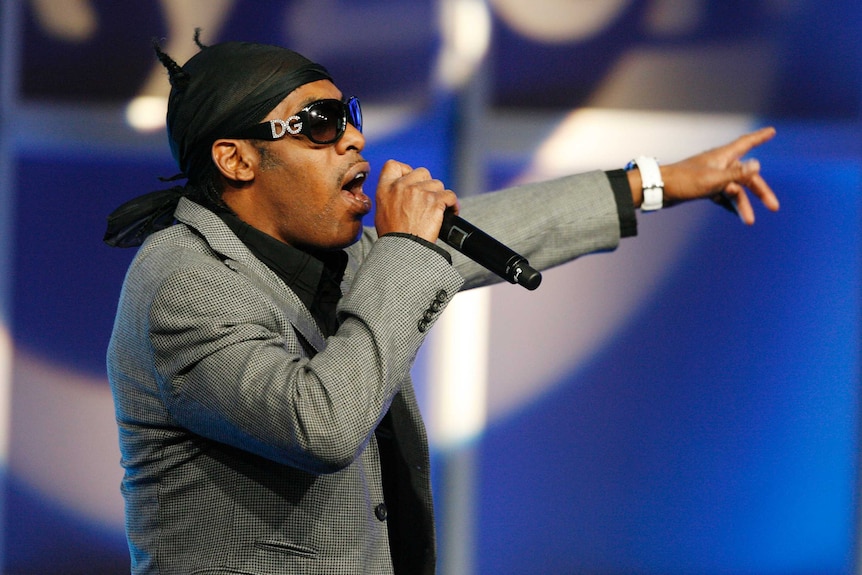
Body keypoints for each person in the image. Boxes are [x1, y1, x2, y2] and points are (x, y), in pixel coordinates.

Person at [104, 32, 779, 575]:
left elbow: (498, 227)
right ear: (237, 159)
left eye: (352, 117)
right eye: (320, 123)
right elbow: (322, 424)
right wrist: (403, 249)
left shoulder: (318, 252)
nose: (353, 138)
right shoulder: (184, 283)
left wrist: (657, 182)